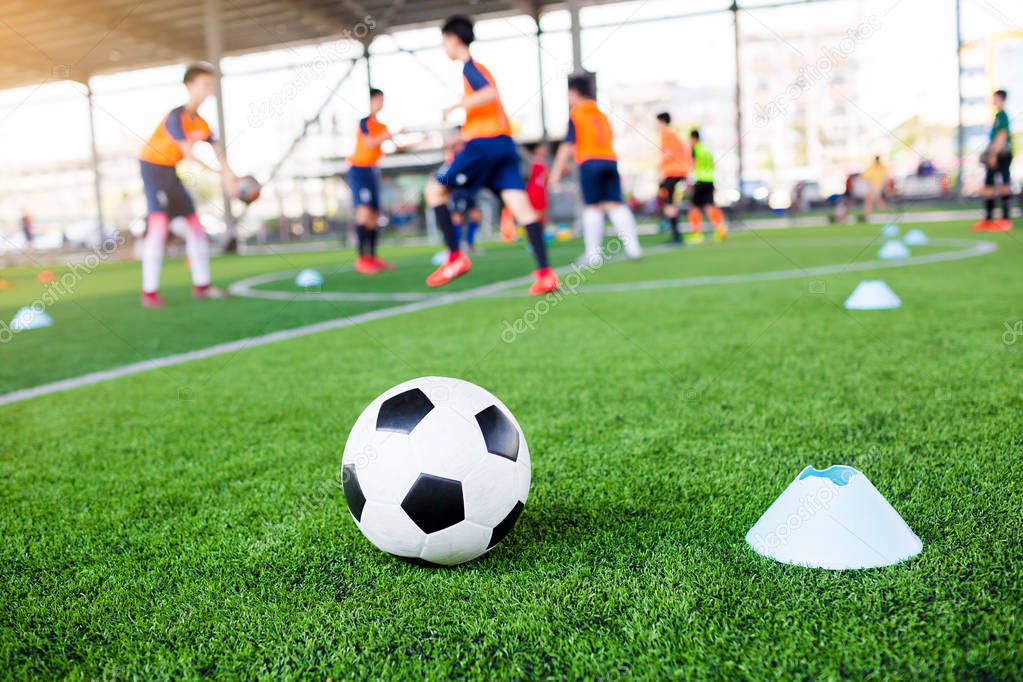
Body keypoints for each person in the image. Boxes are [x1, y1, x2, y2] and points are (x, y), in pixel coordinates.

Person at [423, 15, 559, 296]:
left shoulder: (470, 68)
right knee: (522, 210)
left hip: (484, 147)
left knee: (434, 192)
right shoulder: (477, 68)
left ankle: (455, 257)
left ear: (453, 39)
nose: (444, 48)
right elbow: (488, 114)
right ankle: (546, 274)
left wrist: (455, 106)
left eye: (444, 42)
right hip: (503, 145)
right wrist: (463, 133)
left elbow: (489, 94)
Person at [138, 62, 237, 308]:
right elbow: (189, 156)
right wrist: (218, 173)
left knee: (195, 227)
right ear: (189, 85)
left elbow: (217, 151)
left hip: (171, 171)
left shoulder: (201, 123)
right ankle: (149, 293)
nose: (208, 90)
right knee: (159, 227)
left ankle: (202, 286)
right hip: (152, 168)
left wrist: (230, 175)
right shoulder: (175, 117)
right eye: (204, 84)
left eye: (211, 85)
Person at [549, 75, 642, 267]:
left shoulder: (577, 113)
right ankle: (633, 247)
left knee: (592, 206)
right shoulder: (601, 114)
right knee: (615, 204)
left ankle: (593, 254)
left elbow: (568, 144)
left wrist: (556, 172)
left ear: (574, 92)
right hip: (609, 160)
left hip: (589, 162)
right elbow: (612, 136)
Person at [348, 88, 407, 274]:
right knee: (363, 213)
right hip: (359, 170)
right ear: (371, 101)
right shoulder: (365, 123)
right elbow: (370, 143)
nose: (380, 103)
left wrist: (419, 142)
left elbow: (397, 148)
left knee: (374, 216)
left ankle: (372, 258)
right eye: (377, 100)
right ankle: (361, 259)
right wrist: (388, 135)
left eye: (382, 100)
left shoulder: (383, 127)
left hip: (373, 171)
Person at [974, 89, 1014, 232]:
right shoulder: (997, 115)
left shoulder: (1003, 115)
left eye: (995, 98)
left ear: (1001, 99)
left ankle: (1005, 219)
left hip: (1002, 155)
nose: (993, 100)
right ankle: (988, 220)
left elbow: (1002, 136)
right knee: (988, 186)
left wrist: (992, 154)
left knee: (1004, 185)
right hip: (995, 153)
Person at [655, 113, 692, 245]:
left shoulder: (665, 134)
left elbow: (667, 154)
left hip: (672, 172)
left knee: (666, 201)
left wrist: (660, 166)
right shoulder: (675, 134)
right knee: (667, 200)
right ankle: (672, 227)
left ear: (662, 122)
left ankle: (674, 231)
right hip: (679, 172)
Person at [687, 129, 727, 243]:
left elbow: (693, 165)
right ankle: (721, 230)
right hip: (709, 180)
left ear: (693, 138)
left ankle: (696, 234)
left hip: (699, 180)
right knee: (710, 206)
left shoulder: (696, 149)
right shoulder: (707, 150)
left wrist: (689, 181)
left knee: (695, 208)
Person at [861, 155, 889, 222]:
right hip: (872, 186)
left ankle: (866, 214)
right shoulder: (872, 167)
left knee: (871, 200)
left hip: (878, 186)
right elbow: (865, 177)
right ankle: (867, 214)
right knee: (872, 200)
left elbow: (884, 178)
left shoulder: (882, 168)